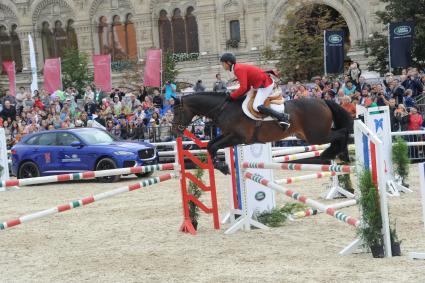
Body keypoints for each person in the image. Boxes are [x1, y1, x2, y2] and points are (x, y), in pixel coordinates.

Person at [219, 53, 290, 128]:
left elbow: (243, 87)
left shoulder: (237, 69)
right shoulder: (237, 68)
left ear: (229, 63)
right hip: (259, 84)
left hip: (265, 85)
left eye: (223, 63)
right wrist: (234, 96)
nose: (222, 65)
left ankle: (282, 117)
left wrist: (231, 96)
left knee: (256, 106)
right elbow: (247, 87)